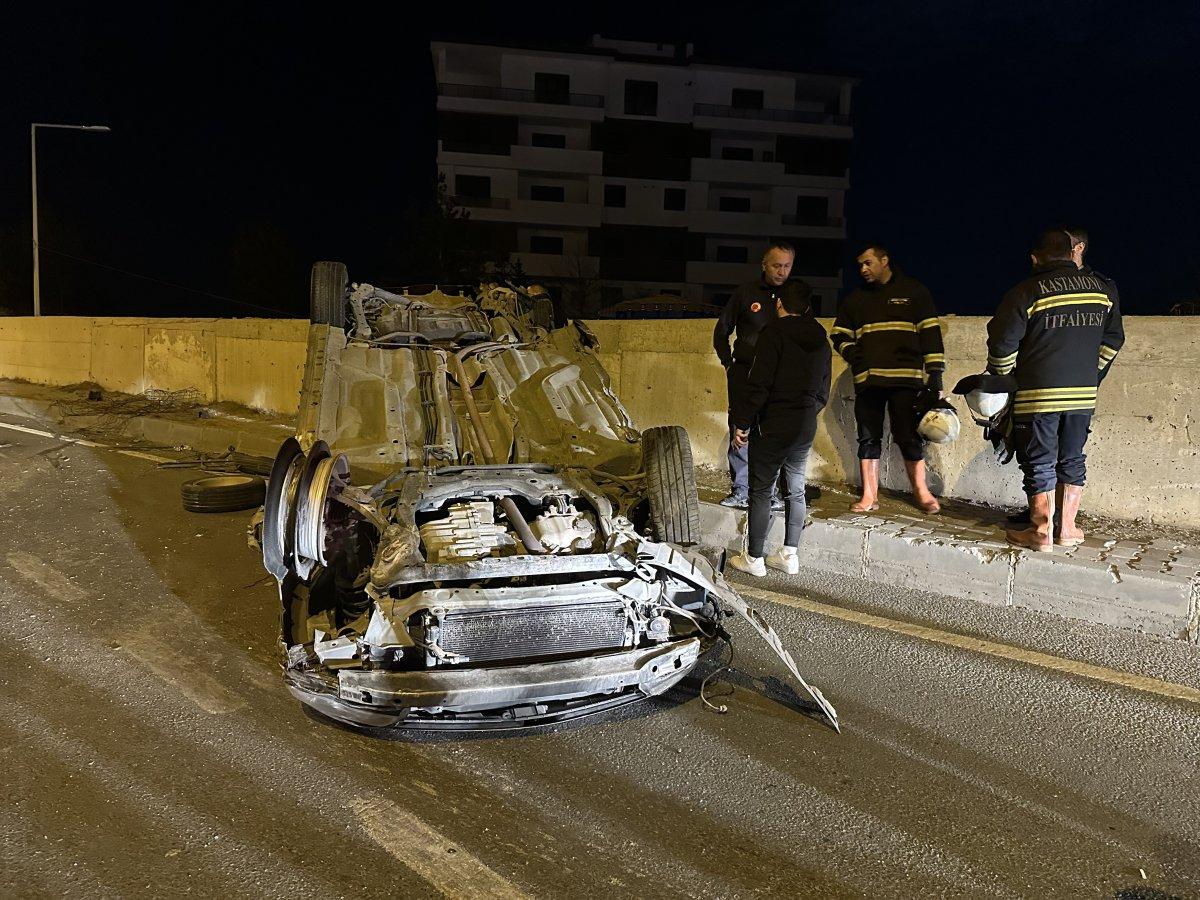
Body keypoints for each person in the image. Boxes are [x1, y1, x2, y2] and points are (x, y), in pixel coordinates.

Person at [987, 228, 1124, 551]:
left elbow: (1003, 345)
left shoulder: (1026, 292)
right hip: (1082, 396)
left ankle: (1040, 531)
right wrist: (1094, 376)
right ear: (1070, 253)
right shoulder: (1102, 290)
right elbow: (1114, 340)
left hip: (1038, 394)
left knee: (1039, 462)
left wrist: (1003, 380)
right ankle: (1068, 529)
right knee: (1073, 458)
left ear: (1035, 258)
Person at [830, 244, 945, 514]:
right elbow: (838, 334)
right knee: (867, 438)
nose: (863, 269)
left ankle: (921, 491)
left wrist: (936, 375)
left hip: (907, 380)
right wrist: (854, 355)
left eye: (868, 263)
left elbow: (931, 333)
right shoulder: (856, 299)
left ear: (885, 260)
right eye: (860, 265)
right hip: (868, 380)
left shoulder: (915, 292)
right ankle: (870, 495)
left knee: (909, 436)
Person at [727, 281, 831, 576]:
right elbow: (823, 389)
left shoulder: (773, 334)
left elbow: (759, 384)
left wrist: (743, 423)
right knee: (796, 490)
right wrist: (806, 412)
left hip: (773, 423)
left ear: (780, 304)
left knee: (761, 490)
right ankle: (789, 555)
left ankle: (755, 559)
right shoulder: (822, 340)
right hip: (805, 423)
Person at [712, 242, 810, 508]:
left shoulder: (794, 295)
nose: (782, 271)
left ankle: (770, 492)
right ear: (764, 265)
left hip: (781, 377)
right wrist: (728, 363)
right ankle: (741, 490)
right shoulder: (746, 293)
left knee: (773, 432)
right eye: (776, 265)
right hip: (745, 372)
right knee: (740, 429)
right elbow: (722, 330)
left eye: (787, 266)